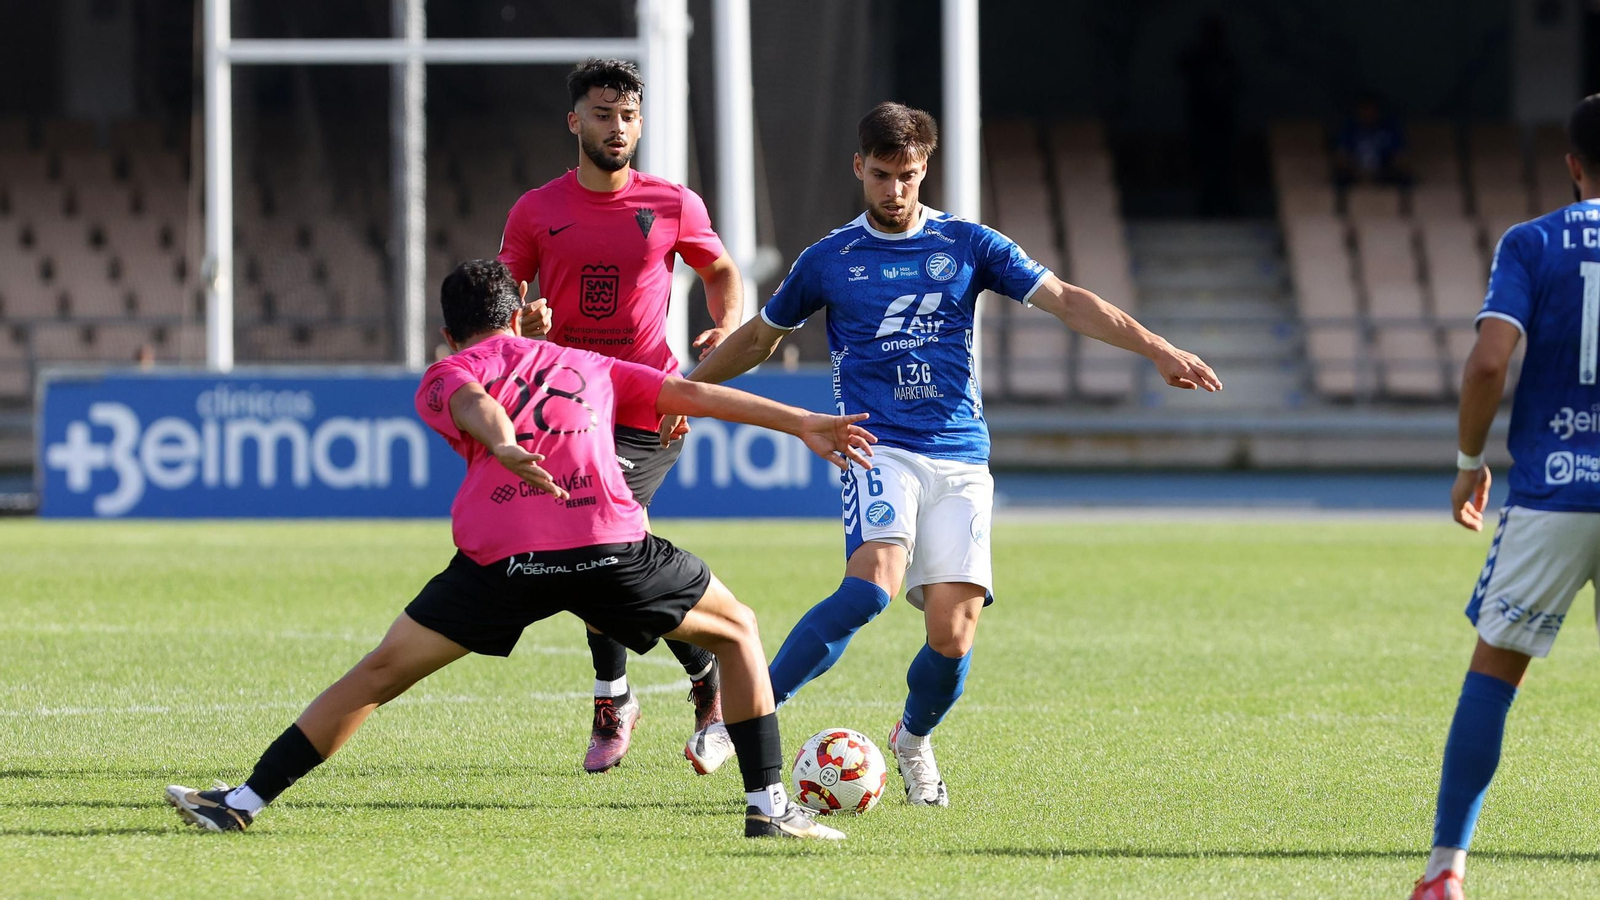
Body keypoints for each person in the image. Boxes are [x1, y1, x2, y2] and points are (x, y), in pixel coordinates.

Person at [164, 259, 875, 840]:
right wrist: (804, 422)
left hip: (501, 560)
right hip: (608, 544)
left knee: (379, 674)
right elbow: (693, 396)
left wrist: (503, 443)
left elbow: (475, 400)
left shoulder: (441, 376)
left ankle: (245, 801)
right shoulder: (587, 364)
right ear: (517, 315)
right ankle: (768, 808)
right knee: (739, 630)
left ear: (447, 333)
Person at [683, 102, 1221, 807]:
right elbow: (758, 339)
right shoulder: (829, 259)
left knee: (954, 631)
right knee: (870, 586)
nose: (894, 190)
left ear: (924, 168)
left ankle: (911, 740)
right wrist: (682, 392)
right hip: (876, 444)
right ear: (859, 168)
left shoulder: (969, 244)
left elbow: (1065, 299)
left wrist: (1158, 348)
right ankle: (739, 715)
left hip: (961, 454)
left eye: (906, 175)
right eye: (881, 175)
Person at [497, 58, 749, 775]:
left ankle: (615, 697)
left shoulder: (672, 202)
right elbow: (502, 301)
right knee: (601, 549)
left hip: (648, 403)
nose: (618, 127)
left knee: (592, 543)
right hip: (567, 403)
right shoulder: (536, 209)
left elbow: (721, 270)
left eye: (629, 115)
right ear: (575, 121)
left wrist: (722, 324)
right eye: (604, 115)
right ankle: (702, 680)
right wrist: (524, 319)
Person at [1410, 94, 1600, 900]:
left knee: (1495, 673)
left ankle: (1446, 871)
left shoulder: (1534, 241)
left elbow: (1490, 362)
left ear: (1571, 162)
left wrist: (1468, 459)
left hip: (1554, 491)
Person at [1333, 92, 1411, 189]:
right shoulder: (1349, 129)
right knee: (1339, 179)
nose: (1368, 113)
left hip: (1385, 176)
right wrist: (1358, 172)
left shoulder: (1389, 128)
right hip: (1354, 175)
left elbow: (1401, 156)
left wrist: (1380, 173)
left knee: (1405, 179)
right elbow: (1341, 155)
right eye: (1364, 109)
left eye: (1371, 109)